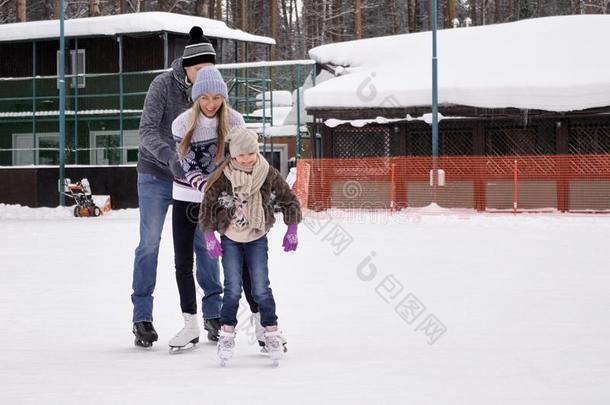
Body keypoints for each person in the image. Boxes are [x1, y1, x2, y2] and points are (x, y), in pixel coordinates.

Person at [131, 26, 220, 348]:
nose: (206, 76)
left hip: (194, 181)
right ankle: (142, 317)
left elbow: (225, 132)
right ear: (186, 67)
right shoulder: (161, 85)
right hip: (155, 173)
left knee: (204, 242)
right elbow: (146, 130)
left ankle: (213, 313)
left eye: (211, 69)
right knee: (149, 243)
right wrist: (171, 158)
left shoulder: (214, 91)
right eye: (200, 70)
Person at [199, 127, 302, 364]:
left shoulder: (267, 173)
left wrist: (292, 228)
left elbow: (289, 200)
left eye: (250, 153)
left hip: (257, 238)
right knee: (233, 289)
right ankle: (226, 334)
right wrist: (209, 235)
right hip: (231, 239)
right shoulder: (223, 175)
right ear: (233, 156)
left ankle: (271, 332)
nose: (246, 159)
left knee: (261, 288)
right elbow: (207, 207)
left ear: (257, 151)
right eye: (240, 155)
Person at [168, 65, 246, 351]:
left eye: (216, 97)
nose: (210, 104)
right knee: (182, 261)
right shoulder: (181, 124)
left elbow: (238, 163)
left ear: (224, 97)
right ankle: (190, 324)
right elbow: (189, 167)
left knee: (238, 256)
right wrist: (208, 189)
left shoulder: (236, 122)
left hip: (222, 199)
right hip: (186, 197)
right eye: (204, 98)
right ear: (196, 98)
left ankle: (259, 323)